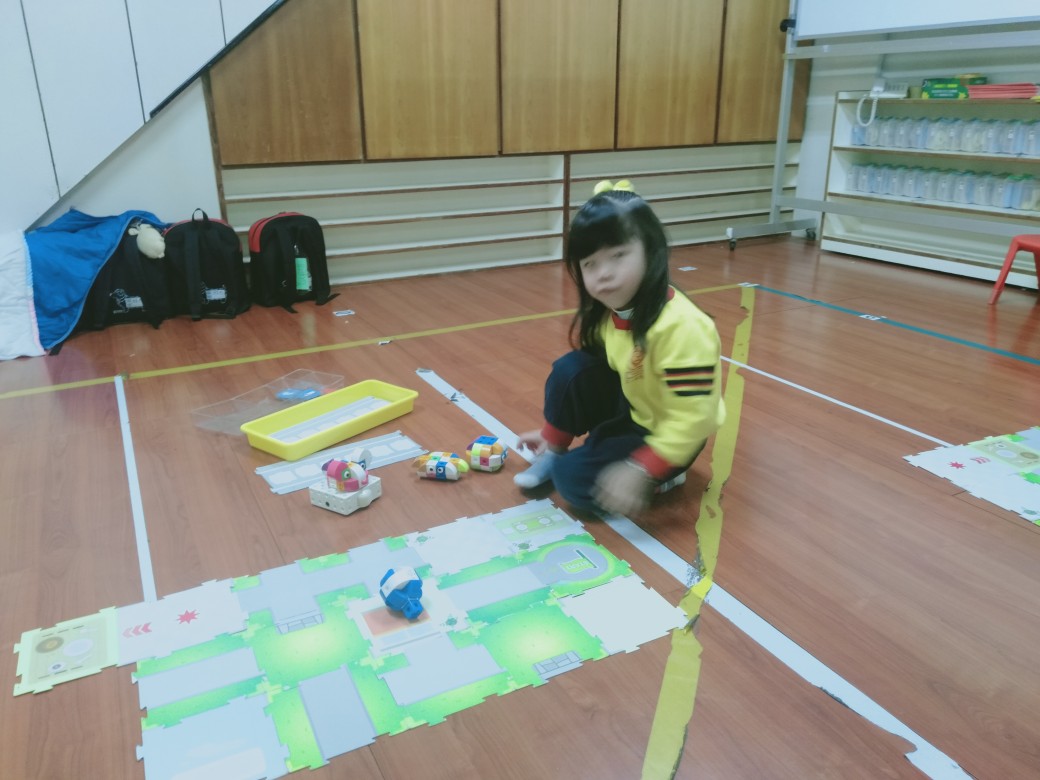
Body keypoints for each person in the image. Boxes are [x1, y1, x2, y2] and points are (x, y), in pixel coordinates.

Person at [514, 179, 725, 518]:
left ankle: (665, 477)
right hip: (635, 405)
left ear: (651, 251)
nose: (604, 274)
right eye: (590, 264)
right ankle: (553, 452)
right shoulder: (609, 314)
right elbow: (589, 378)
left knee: (572, 481)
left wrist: (641, 468)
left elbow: (695, 419)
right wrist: (552, 433)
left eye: (618, 256)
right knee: (571, 369)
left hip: (671, 433)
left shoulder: (683, 327)